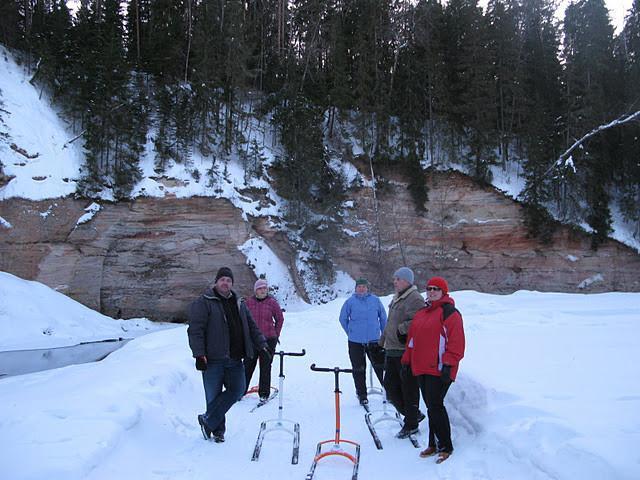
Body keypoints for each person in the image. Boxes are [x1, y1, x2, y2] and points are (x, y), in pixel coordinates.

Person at [187, 267, 270, 443]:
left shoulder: (239, 303)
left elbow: (251, 325)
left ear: (232, 284)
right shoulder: (204, 302)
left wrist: (262, 344)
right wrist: (199, 355)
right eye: (222, 279)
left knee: (239, 390)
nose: (225, 283)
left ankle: (207, 420)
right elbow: (195, 330)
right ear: (216, 282)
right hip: (212, 360)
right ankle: (218, 430)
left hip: (235, 358)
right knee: (213, 396)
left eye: (229, 280)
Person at [401, 276, 465, 464]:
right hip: (422, 367)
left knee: (436, 406)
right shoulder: (422, 313)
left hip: (440, 369)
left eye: (436, 289)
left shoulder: (450, 313)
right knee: (431, 407)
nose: (431, 291)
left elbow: (457, 343)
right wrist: (406, 362)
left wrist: (448, 364)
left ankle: (446, 446)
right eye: (429, 288)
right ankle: (433, 443)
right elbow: (412, 341)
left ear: (443, 292)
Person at [379, 267, 426, 438]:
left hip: (405, 351)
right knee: (390, 387)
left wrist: (401, 330)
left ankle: (411, 424)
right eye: (395, 279)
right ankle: (413, 414)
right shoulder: (397, 297)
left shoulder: (415, 298)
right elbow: (390, 321)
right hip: (392, 349)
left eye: (397, 279)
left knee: (409, 388)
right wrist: (382, 340)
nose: (395, 281)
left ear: (407, 280)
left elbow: (419, 320)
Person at [339, 277, 388, 406]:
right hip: (356, 342)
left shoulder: (375, 301)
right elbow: (343, 319)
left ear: (367, 288)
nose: (361, 289)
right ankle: (362, 394)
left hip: (375, 341)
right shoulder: (350, 302)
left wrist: (384, 335)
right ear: (356, 288)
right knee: (359, 369)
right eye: (359, 286)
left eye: (364, 287)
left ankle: (389, 392)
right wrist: (351, 332)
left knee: (381, 367)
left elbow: (383, 318)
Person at [244, 278, 284, 401]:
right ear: (256, 290)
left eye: (265, 288)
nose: (263, 290)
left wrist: (275, 334)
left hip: (268, 340)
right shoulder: (248, 303)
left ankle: (264, 393)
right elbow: (243, 319)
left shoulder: (272, 303)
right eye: (260, 288)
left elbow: (280, 319)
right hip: (252, 340)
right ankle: (240, 390)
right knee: (248, 365)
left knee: (266, 366)